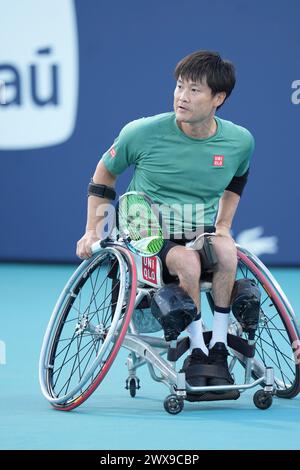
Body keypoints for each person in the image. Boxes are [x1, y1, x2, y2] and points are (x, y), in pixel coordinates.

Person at [76, 50, 255, 390]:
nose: (181, 97)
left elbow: (237, 181)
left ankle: (217, 347)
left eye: (193, 90)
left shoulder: (239, 141)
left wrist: (224, 225)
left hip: (197, 229)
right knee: (187, 262)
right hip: (144, 231)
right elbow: (103, 178)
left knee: (228, 251)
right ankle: (196, 350)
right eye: (179, 87)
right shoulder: (141, 133)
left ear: (219, 98)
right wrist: (91, 232)